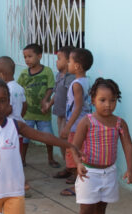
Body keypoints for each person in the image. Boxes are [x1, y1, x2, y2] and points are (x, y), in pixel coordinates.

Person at [0, 77, 80, 214]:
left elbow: (42, 136)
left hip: (14, 192)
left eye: (2, 100)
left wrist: (68, 145)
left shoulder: (15, 125)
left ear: (9, 103)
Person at [72, 78, 132, 214]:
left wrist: (131, 169)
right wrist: (78, 164)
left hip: (109, 172)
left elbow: (128, 146)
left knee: (101, 207)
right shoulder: (87, 121)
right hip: (89, 173)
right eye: (103, 100)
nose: (108, 105)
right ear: (93, 100)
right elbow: (74, 147)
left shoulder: (119, 124)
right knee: (86, 210)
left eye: (113, 100)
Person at [17, 43, 58, 168]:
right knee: (25, 138)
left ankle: (51, 159)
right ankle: (22, 159)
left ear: (39, 56)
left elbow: (51, 88)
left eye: (30, 56)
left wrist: (46, 100)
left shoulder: (47, 71)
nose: (27, 59)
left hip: (43, 112)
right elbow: (19, 89)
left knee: (48, 137)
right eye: (25, 57)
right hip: (28, 113)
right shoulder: (24, 74)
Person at [59, 48, 94, 194]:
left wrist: (67, 126)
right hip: (84, 124)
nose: (68, 64)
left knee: (74, 154)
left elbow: (78, 107)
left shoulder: (77, 84)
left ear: (77, 66)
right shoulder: (87, 81)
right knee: (80, 153)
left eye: (70, 61)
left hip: (76, 126)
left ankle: (77, 186)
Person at [50, 46, 76, 179]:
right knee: (61, 141)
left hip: (68, 116)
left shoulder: (72, 78)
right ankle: (68, 166)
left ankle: (74, 169)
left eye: (59, 59)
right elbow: (56, 93)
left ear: (68, 61)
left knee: (68, 142)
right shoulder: (58, 75)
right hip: (60, 114)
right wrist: (49, 104)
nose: (56, 61)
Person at [0, 56, 27, 121]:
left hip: (9, 123)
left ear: (1, 76)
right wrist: (19, 117)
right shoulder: (19, 87)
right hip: (19, 121)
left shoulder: (6, 89)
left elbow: (9, 109)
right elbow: (25, 105)